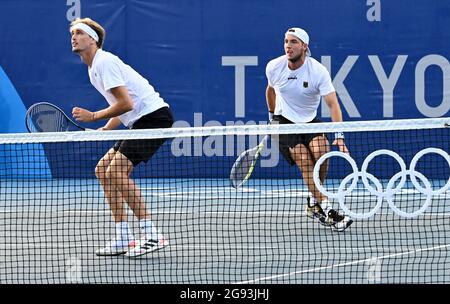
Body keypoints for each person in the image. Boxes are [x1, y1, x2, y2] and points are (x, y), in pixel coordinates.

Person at [70, 18, 174, 256]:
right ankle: (124, 236)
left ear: (92, 39)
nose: (73, 37)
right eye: (72, 34)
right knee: (102, 170)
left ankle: (151, 234)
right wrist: (107, 128)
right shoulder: (93, 68)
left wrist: (94, 116)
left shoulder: (104, 62)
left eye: (79, 33)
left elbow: (126, 103)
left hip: (154, 118)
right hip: (139, 121)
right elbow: (121, 106)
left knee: (115, 171)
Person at [265, 27, 353, 232]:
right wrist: (271, 117)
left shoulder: (317, 71)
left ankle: (314, 202)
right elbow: (270, 90)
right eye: (286, 41)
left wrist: (339, 137)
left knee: (322, 152)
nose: (288, 46)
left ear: (304, 46)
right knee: (304, 159)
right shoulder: (274, 67)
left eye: (294, 42)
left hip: (309, 119)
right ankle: (327, 207)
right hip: (283, 121)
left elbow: (333, 104)